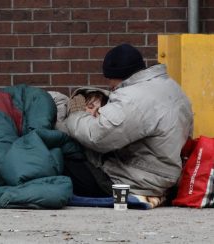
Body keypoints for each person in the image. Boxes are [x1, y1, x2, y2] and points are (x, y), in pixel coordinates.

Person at [62, 43, 194, 202]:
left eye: (109, 79)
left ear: (115, 75)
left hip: (136, 181)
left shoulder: (132, 99)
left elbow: (96, 136)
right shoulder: (169, 86)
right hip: (167, 173)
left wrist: (76, 111)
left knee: (61, 157)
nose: (110, 85)